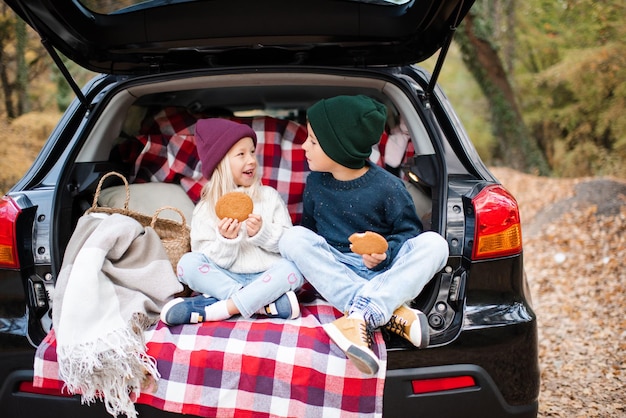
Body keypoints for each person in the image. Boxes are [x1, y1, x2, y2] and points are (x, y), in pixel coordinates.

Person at [279, 95, 449, 375]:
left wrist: (384, 255)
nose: (303, 146)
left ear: (338, 146)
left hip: (383, 273)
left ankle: (359, 316)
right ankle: (389, 312)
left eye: (312, 140)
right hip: (336, 272)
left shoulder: (389, 188)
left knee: (435, 244)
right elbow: (310, 236)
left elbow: (408, 233)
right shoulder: (315, 183)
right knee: (292, 237)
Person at [161, 118, 304, 326]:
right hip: (225, 280)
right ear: (220, 163)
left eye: (253, 152)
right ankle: (262, 305)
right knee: (186, 264)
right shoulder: (206, 208)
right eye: (241, 154)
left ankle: (220, 309)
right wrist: (227, 241)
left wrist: (262, 234)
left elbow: (288, 245)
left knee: (295, 268)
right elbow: (205, 257)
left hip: (267, 277)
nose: (252, 160)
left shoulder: (269, 197)